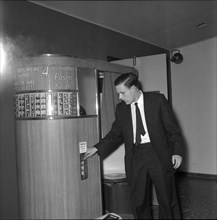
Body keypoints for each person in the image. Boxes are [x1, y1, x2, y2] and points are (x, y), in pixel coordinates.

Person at [84, 72, 183, 219]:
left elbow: (172, 130)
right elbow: (115, 134)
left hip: (158, 154)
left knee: (167, 197)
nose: (120, 97)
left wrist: (177, 152)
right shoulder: (121, 109)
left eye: (122, 93)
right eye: (118, 94)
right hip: (135, 156)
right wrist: (97, 147)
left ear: (134, 88)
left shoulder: (157, 101)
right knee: (139, 200)